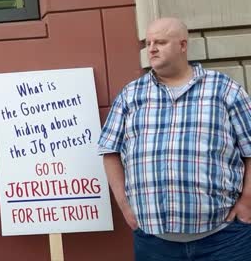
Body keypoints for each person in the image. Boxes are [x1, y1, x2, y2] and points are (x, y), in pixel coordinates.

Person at [98, 17, 251, 260]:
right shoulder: (131, 95)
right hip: (154, 243)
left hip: (224, 240)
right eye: (148, 43)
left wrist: (247, 201)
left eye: (160, 42)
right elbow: (109, 151)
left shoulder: (224, 90)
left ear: (182, 45)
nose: (152, 49)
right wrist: (125, 206)